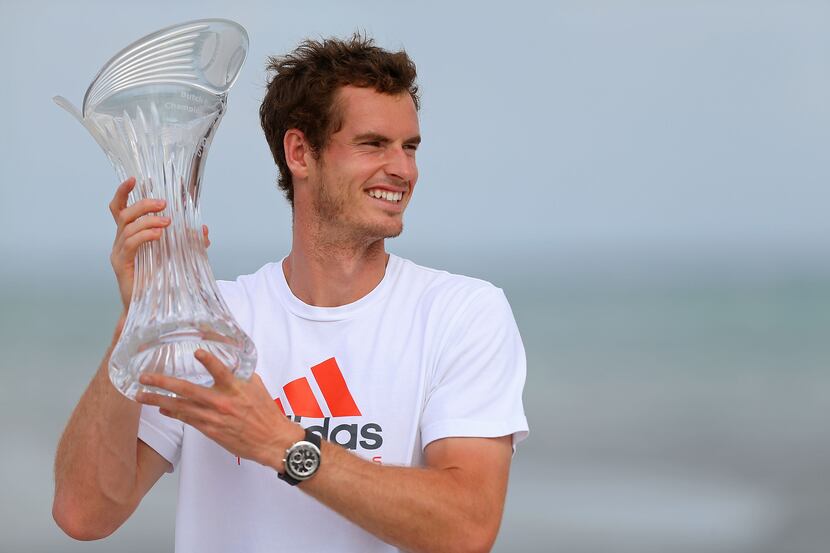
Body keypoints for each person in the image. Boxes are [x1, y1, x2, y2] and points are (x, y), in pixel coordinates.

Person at [52, 34, 528, 553]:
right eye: (373, 144)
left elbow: (466, 527)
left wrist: (278, 441)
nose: (403, 170)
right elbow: (85, 513)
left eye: (409, 147)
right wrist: (142, 315)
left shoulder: (460, 312)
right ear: (300, 152)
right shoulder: (215, 321)